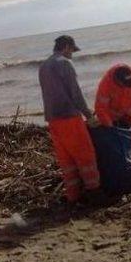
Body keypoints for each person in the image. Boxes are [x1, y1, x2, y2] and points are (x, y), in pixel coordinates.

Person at [39, 35, 100, 203]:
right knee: (85, 155)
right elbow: (76, 93)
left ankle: (73, 195)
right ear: (66, 47)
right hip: (69, 117)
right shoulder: (65, 63)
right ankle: (94, 193)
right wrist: (89, 115)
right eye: (72, 50)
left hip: (53, 119)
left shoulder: (43, 66)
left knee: (66, 159)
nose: (72, 54)